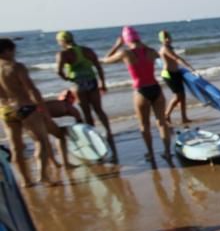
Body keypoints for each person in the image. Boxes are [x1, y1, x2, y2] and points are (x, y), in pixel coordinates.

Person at [104, 27, 172, 165]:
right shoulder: (151, 51)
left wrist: (117, 45)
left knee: (144, 125)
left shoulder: (125, 53)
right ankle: (167, 152)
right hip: (155, 88)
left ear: (126, 39)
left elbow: (105, 60)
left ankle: (151, 153)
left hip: (141, 91)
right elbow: (159, 58)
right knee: (162, 122)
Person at [0, 38, 57, 186]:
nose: (15, 53)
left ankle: (25, 181)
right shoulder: (16, 67)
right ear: (7, 51)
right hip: (24, 107)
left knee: (15, 147)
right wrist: (43, 108)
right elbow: (31, 89)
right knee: (41, 141)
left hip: (5, 110)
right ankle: (43, 176)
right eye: (13, 50)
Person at [55, 30, 117, 161]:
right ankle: (108, 132)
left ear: (62, 41)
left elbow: (58, 71)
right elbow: (98, 67)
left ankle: (93, 135)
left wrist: (67, 78)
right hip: (92, 81)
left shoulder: (63, 54)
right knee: (99, 109)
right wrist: (103, 83)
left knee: (86, 112)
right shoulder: (87, 50)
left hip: (78, 84)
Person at [158, 30, 197, 124]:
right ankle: (166, 115)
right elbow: (176, 58)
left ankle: (184, 118)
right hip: (168, 74)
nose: (167, 39)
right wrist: (189, 67)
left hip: (176, 73)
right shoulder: (164, 49)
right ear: (161, 40)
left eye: (168, 37)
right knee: (177, 96)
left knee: (182, 97)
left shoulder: (169, 47)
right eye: (165, 38)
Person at [43, 90, 83, 168]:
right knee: (60, 137)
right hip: (42, 115)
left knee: (44, 140)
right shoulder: (70, 107)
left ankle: (54, 162)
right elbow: (80, 125)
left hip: (34, 114)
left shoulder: (56, 103)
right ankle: (65, 163)